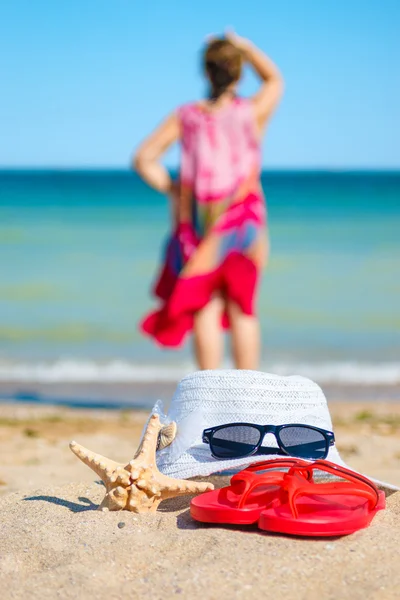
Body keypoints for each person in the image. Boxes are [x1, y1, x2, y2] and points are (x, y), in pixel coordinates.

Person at [133, 31, 283, 370]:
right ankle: (247, 398)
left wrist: (173, 188)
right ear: (240, 72)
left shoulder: (187, 116)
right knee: (243, 306)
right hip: (245, 221)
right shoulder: (251, 112)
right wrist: (245, 45)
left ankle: (210, 397)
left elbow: (143, 159)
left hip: (202, 221)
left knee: (206, 306)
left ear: (205, 73)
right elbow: (274, 79)